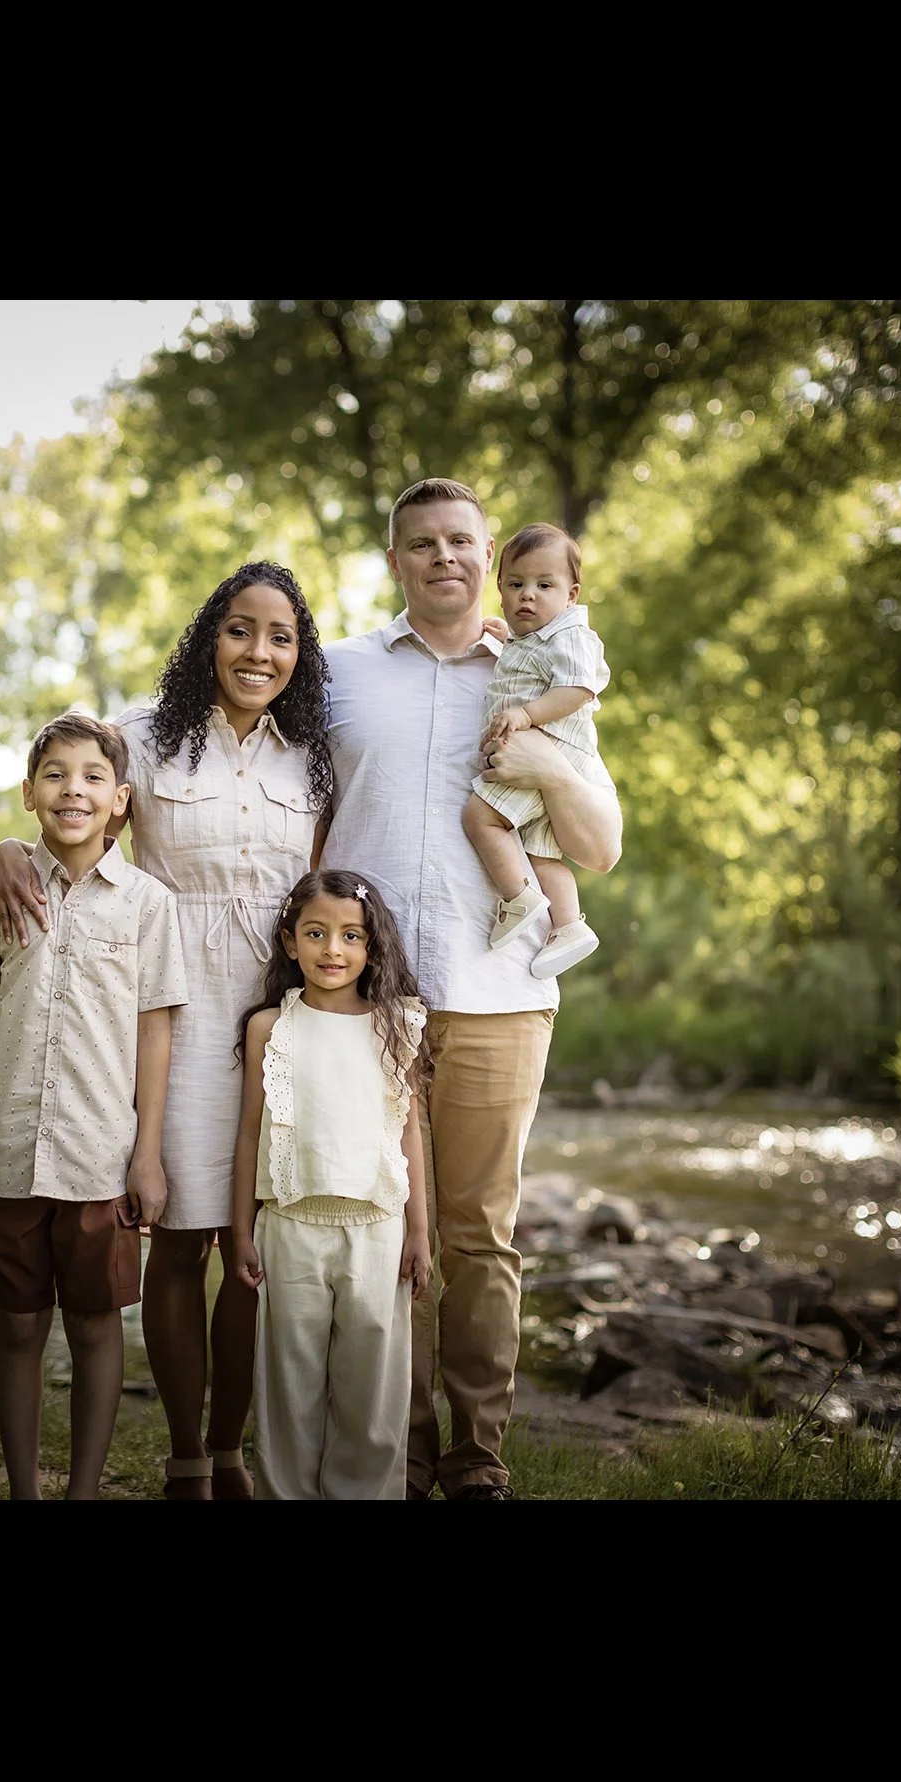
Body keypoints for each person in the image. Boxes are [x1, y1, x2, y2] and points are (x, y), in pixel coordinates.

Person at [0, 563, 332, 1500]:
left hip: (279, 1009)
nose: (259, 652)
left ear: (300, 654)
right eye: (239, 630)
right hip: (164, 1008)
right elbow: (66, 786)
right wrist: (7, 848)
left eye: (281, 636)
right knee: (182, 1235)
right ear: (207, 637)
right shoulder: (144, 734)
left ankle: (230, 1453)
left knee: (254, 1246)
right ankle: (184, 1457)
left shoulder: (314, 751)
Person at [323, 478, 623, 1500]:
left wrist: (543, 752)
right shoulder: (340, 674)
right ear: (396, 557)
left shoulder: (537, 672)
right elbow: (232, 760)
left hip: (501, 991)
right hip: (364, 1003)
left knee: (478, 1234)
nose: (442, 557)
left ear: (488, 557)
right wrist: (29, 829)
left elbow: (601, 845)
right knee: (380, 1227)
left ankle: (477, 1456)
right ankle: (397, 1453)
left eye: (461, 541)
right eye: (421, 543)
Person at [0, 712, 186, 1499]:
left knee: (96, 1325)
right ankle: (23, 1491)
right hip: (8, 1150)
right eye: (55, 774)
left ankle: (81, 1491)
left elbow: (154, 1032)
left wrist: (147, 1153)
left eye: (91, 777)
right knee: (16, 1325)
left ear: (120, 800)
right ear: (27, 793)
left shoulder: (147, 905)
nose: (72, 789)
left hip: (100, 1156)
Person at [228, 870, 431, 1500]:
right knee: (289, 1382)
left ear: (372, 948)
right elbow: (247, 1135)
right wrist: (240, 1230)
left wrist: (420, 1232)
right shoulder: (271, 1026)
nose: (333, 950)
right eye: (316, 934)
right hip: (289, 1226)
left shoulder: (395, 1024)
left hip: (376, 1228)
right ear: (290, 943)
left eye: (351, 936)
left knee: (373, 1383)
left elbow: (409, 1134)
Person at [462, 522, 615, 979]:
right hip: (543, 758)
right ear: (501, 589)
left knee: (480, 817)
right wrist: (507, 637)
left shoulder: (571, 635)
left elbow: (577, 689)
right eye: (516, 584)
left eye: (544, 585)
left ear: (571, 595)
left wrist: (527, 716)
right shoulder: (531, 638)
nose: (528, 595)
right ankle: (569, 925)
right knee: (542, 853)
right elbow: (532, 664)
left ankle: (519, 897)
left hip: (543, 751)